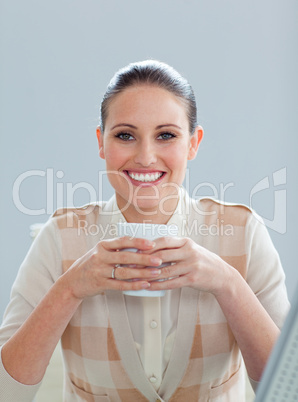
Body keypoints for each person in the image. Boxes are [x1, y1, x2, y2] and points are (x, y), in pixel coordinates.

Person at [0, 60, 290, 402]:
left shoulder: (243, 232)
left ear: (193, 143)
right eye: (125, 135)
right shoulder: (60, 236)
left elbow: (287, 391)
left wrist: (227, 283)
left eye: (166, 135)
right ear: (101, 143)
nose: (146, 157)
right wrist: (70, 288)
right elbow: (8, 393)